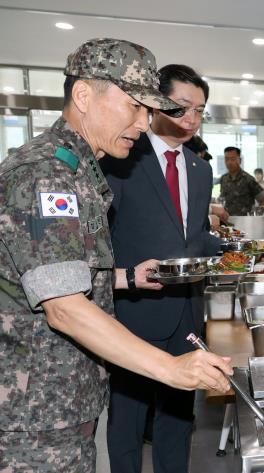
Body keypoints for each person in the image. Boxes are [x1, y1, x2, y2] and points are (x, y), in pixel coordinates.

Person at [0, 38, 232, 473]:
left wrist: (125, 277)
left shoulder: (79, 170)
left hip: (66, 399)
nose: (144, 123)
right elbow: (65, 309)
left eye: (149, 110)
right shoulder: (46, 175)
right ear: (84, 96)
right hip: (33, 416)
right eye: (134, 107)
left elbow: (58, 272)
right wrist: (173, 370)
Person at [100, 64, 222, 473]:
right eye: (181, 107)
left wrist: (237, 255)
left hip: (186, 313)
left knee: (177, 424)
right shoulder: (121, 158)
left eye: (200, 111)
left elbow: (195, 238)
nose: (191, 119)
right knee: (128, 427)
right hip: (133, 312)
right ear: (155, 103)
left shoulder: (200, 169)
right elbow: (101, 235)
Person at [219, 146, 264, 215]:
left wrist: (257, 215)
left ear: (240, 160)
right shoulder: (223, 179)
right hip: (226, 222)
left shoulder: (248, 179)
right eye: (226, 159)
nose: (229, 162)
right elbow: (222, 200)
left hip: (245, 222)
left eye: (233, 159)